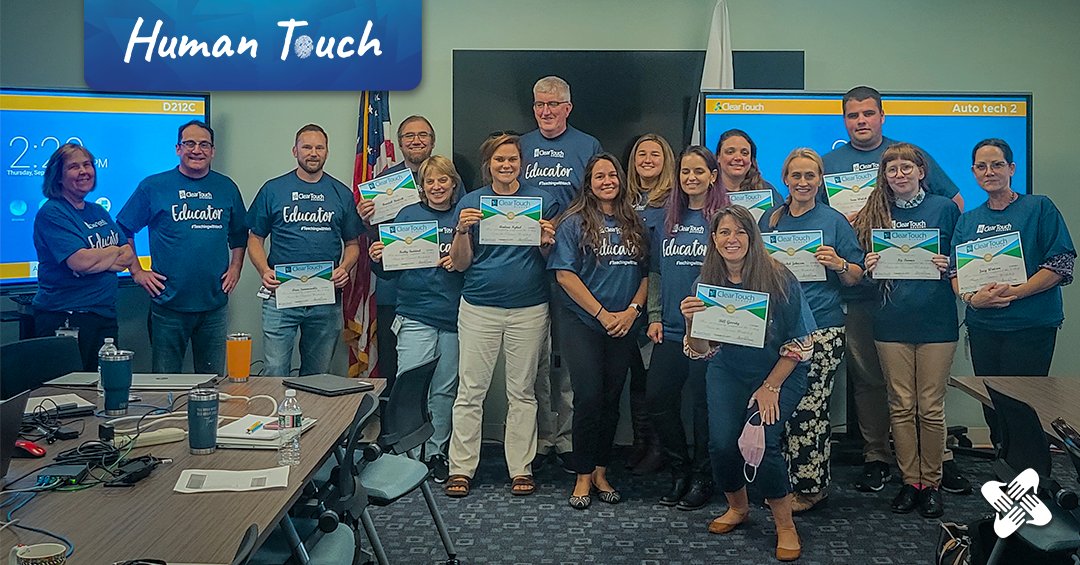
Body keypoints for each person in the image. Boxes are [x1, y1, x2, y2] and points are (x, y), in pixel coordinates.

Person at [822, 86, 969, 495]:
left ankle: (938, 462)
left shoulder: (908, 154)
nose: (862, 121)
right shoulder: (829, 163)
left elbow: (953, 204)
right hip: (860, 291)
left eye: (869, 113)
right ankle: (877, 457)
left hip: (920, 296)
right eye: (853, 115)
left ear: (882, 116)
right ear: (845, 120)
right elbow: (817, 218)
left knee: (925, 395)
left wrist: (944, 262)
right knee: (871, 381)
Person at [681, 205, 815, 563]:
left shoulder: (780, 278)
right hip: (727, 370)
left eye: (740, 232)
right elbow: (700, 352)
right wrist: (692, 323)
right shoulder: (703, 283)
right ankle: (738, 508)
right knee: (722, 444)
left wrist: (770, 386)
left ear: (752, 238)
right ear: (713, 239)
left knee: (763, 443)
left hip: (780, 371)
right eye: (724, 232)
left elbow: (801, 344)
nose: (732, 239)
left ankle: (785, 525)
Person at [444, 133, 557, 498]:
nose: (506, 165)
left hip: (529, 308)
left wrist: (544, 243)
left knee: (522, 392)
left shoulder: (541, 200)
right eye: (499, 160)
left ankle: (520, 468)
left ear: (520, 163)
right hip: (479, 307)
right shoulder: (472, 203)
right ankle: (460, 468)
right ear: (488, 165)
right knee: (470, 390)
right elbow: (460, 264)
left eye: (512, 159)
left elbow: (549, 261)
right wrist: (461, 230)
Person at [853, 143, 961, 518]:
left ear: (921, 171)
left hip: (937, 321)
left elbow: (962, 263)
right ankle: (909, 481)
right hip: (890, 320)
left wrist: (949, 265)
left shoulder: (945, 210)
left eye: (906, 168)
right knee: (900, 405)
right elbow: (861, 276)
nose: (899, 174)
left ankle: (931, 483)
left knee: (930, 407)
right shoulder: (875, 211)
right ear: (883, 176)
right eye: (891, 169)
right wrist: (869, 264)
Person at [759, 148, 865, 513]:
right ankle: (781, 483)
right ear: (785, 180)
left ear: (820, 180)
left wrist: (838, 263)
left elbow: (856, 276)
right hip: (777, 332)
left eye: (810, 176)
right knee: (782, 411)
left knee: (809, 410)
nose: (803, 182)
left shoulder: (834, 220)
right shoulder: (770, 222)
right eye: (796, 176)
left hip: (821, 328)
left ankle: (811, 487)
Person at [951, 138, 1075, 446]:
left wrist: (1016, 293)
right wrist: (971, 298)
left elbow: (1060, 264)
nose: (989, 171)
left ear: (1011, 168)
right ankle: (1002, 470)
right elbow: (956, 272)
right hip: (984, 328)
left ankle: (1031, 479)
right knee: (993, 407)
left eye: (996, 164)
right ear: (973, 172)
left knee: (1025, 408)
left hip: (1030, 327)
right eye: (982, 166)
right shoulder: (968, 220)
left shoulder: (1039, 207)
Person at [548, 153, 648, 509]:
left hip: (624, 324)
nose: (607, 181)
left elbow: (647, 275)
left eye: (612, 175)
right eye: (599, 176)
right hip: (584, 323)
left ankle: (602, 470)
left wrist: (631, 312)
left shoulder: (634, 221)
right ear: (588, 183)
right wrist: (604, 314)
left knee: (611, 398)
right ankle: (582, 474)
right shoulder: (573, 222)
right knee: (588, 398)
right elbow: (564, 275)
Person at [116, 120, 247, 376]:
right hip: (168, 305)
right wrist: (137, 272)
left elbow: (240, 234)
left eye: (204, 144)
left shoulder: (226, 187)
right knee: (165, 380)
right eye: (189, 143)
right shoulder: (153, 186)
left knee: (213, 382)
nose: (196, 150)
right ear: (178, 149)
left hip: (214, 305)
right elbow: (123, 228)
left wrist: (236, 268)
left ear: (212, 151)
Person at [520, 76, 602, 473]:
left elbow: (598, 198)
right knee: (533, 360)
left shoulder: (587, 146)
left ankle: (568, 439)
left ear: (568, 108)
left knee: (570, 360)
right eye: (539, 105)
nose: (546, 112)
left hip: (574, 265)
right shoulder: (519, 147)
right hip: (524, 267)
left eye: (553, 104)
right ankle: (539, 440)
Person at [368, 155, 463, 483]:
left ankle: (436, 451)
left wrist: (460, 260)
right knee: (410, 388)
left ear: (453, 183)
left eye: (443, 180)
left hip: (454, 317)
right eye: (430, 181)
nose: (437, 187)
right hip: (415, 314)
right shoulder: (407, 215)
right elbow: (388, 272)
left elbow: (477, 264)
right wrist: (377, 258)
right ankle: (410, 454)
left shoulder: (464, 216)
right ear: (421, 187)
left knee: (444, 390)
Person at [646, 146, 728, 509]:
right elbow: (656, 273)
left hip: (711, 332)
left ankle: (702, 476)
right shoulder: (667, 218)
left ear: (713, 176)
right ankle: (679, 470)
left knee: (703, 408)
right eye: (685, 172)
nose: (691, 178)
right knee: (658, 400)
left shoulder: (725, 220)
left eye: (699, 171)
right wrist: (654, 316)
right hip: (671, 329)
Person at [246, 124, 363, 376]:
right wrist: (263, 270)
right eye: (307, 147)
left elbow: (353, 245)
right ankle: (278, 417)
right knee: (276, 370)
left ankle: (314, 417)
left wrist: (344, 268)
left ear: (326, 152)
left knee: (318, 374)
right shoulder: (273, 189)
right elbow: (255, 238)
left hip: (325, 297)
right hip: (281, 295)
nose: (313, 153)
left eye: (319, 147)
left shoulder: (341, 193)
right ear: (295, 151)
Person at [32, 143, 136, 370]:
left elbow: (127, 254)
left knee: (102, 387)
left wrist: (97, 259)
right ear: (58, 176)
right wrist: (108, 255)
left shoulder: (97, 211)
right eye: (74, 167)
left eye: (87, 165)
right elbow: (79, 262)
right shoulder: (52, 212)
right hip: (67, 318)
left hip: (103, 316)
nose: (83, 171)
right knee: (70, 393)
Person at [368, 115, 437, 384]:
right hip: (393, 291)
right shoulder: (384, 182)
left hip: (437, 292)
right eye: (409, 136)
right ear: (399, 143)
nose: (416, 140)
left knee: (437, 374)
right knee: (394, 369)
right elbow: (376, 237)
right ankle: (390, 426)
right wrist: (367, 218)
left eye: (423, 135)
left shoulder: (445, 175)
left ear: (432, 142)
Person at [624, 132, 677, 474]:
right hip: (623, 293)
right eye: (641, 154)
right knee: (635, 375)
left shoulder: (674, 201)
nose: (647, 159)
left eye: (655, 154)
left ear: (666, 161)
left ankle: (659, 446)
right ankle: (640, 443)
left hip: (657, 294)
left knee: (654, 377)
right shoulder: (623, 199)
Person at [714, 129, 783, 218]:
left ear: (751, 160)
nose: (738, 158)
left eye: (744, 153)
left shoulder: (766, 191)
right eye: (730, 152)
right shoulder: (707, 191)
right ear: (718, 157)